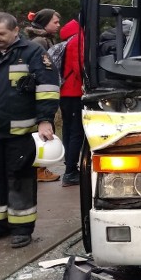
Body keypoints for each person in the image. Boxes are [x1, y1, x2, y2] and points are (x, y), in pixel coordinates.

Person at [0, 12, 60, 248]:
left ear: (15, 31)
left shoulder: (33, 53)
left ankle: (22, 228)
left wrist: (45, 120)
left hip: (21, 131)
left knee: (19, 178)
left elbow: (48, 88)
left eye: (1, 33)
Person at [24, 9, 62, 182]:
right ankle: (39, 169)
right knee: (43, 130)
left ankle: (39, 168)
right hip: (40, 92)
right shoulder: (40, 42)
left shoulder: (45, 39)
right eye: (55, 22)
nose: (58, 25)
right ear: (44, 23)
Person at [58, 18, 85, 187]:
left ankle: (69, 165)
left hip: (65, 92)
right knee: (76, 131)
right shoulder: (78, 40)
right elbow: (80, 66)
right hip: (74, 92)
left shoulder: (69, 40)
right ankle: (70, 172)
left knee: (68, 129)